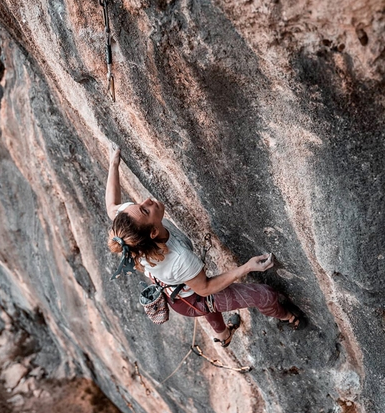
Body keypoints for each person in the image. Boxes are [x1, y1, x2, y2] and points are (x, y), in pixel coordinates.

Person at [106, 143, 303, 347]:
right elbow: (205, 289)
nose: (147, 201)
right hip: (191, 301)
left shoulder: (130, 228)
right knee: (265, 295)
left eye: (141, 205)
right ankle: (286, 316)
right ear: (153, 232)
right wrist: (246, 267)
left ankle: (223, 335)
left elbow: (111, 206)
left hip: (178, 291)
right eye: (146, 210)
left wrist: (113, 165)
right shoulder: (179, 258)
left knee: (205, 299)